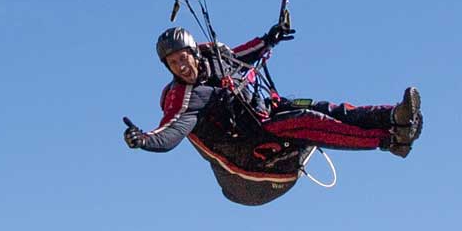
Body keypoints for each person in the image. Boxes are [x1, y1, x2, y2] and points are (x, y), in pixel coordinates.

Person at [123, 23, 423, 205]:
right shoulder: (184, 98)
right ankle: (389, 140)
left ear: (193, 53)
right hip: (248, 152)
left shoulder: (215, 58)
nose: (180, 67)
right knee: (310, 123)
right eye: (173, 63)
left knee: (325, 108)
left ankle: (395, 116)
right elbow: (170, 131)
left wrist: (271, 37)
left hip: (265, 115)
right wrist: (144, 140)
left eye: (182, 58)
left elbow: (242, 55)